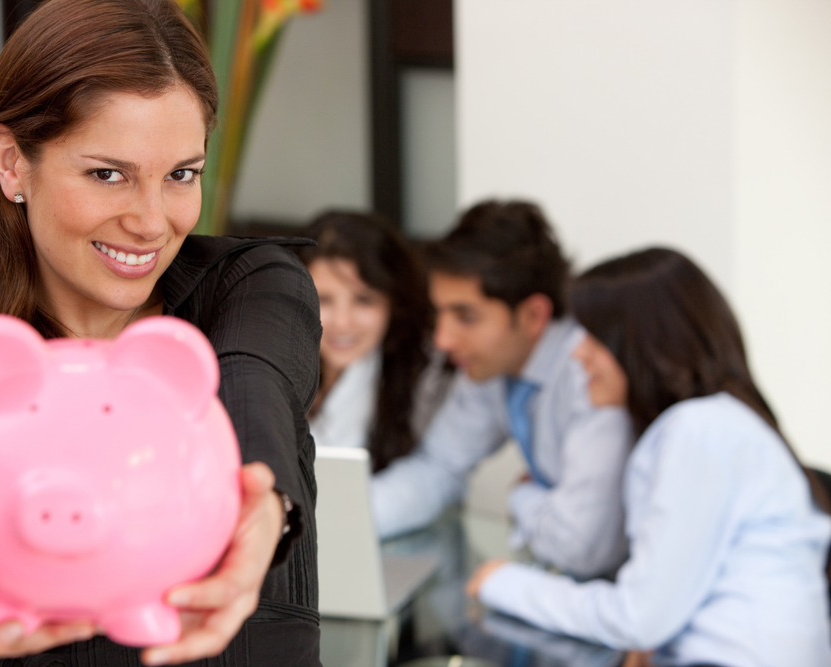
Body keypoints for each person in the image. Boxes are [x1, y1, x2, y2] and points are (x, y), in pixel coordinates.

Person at [0, 1, 322, 665]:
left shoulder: (248, 288)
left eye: (180, 175)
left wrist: (258, 503)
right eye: (109, 174)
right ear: (12, 162)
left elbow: (254, 387)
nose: (153, 222)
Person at [467, 248, 831, 666]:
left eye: (594, 337)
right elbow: (656, 609)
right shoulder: (707, 424)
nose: (577, 353)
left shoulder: (699, 430)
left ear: (645, 341)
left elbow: (639, 617)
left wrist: (505, 583)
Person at [371, 200, 632, 580]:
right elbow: (438, 467)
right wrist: (330, 523)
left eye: (465, 316)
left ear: (533, 316)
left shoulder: (590, 374)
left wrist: (521, 497)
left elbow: (584, 547)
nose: (443, 339)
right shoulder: (491, 366)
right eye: (440, 313)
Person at [296, 211, 451, 472]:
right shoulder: (262, 364)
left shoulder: (426, 374)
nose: (342, 323)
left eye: (364, 300)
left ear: (395, 302)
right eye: (323, 299)